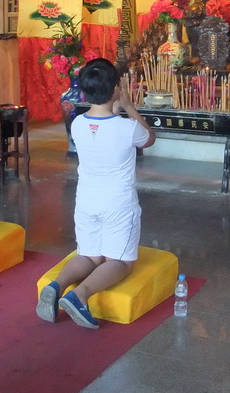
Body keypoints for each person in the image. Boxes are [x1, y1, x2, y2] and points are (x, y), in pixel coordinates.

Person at [36, 58, 155, 329]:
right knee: (121, 262)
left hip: (86, 201)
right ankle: (80, 295)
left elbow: (98, 126)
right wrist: (128, 107)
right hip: (118, 204)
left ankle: (57, 285)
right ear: (116, 89)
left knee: (89, 255)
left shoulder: (77, 124)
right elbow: (149, 138)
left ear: (84, 91)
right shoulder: (128, 128)